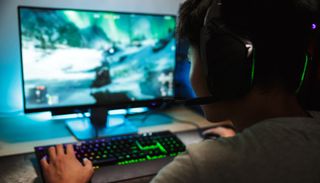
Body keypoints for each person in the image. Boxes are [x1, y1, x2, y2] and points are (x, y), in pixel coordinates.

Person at [40, 0, 320, 182]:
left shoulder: (201, 169)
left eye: (190, 59)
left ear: (224, 63)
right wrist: (244, 138)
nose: (188, 71)